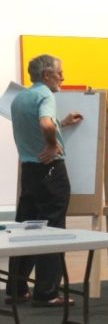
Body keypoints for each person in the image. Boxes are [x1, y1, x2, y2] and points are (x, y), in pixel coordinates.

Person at [6, 54, 82, 307]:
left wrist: (62, 125)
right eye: (60, 73)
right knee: (53, 229)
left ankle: (16, 289)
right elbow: (45, 124)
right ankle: (47, 292)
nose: (63, 77)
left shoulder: (20, 98)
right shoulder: (46, 95)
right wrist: (52, 145)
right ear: (47, 75)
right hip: (50, 172)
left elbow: (40, 126)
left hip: (29, 171)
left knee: (26, 228)